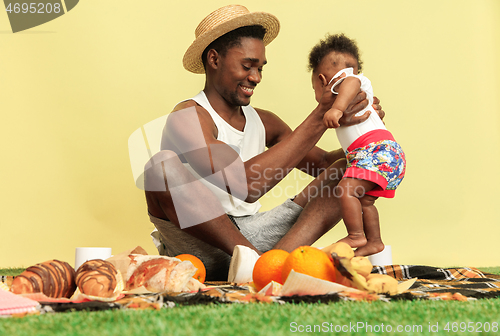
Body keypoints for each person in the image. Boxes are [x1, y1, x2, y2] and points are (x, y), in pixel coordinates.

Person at [143, 5, 385, 280]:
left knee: (346, 169)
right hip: (199, 247)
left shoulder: (265, 122)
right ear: (214, 59)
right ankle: (256, 264)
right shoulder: (187, 117)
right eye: (247, 66)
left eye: (260, 68)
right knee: (160, 167)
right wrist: (322, 115)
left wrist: (364, 129)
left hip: (260, 234)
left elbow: (325, 166)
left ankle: (270, 267)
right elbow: (246, 185)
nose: (256, 77)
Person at [309, 33, 406, 256]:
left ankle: (356, 235)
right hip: (387, 156)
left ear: (322, 80)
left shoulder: (352, 83)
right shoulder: (360, 99)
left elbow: (351, 81)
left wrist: (336, 108)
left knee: (345, 189)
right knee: (364, 202)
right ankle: (374, 241)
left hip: (377, 152)